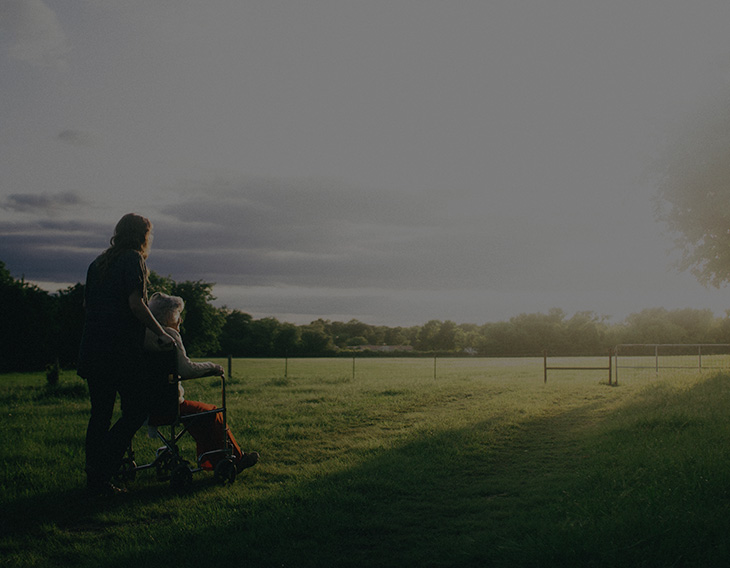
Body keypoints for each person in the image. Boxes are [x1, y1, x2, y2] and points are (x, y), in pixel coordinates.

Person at [78, 213, 175, 496]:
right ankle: (103, 468)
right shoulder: (133, 259)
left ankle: (95, 479)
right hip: (118, 352)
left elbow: (88, 305)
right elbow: (136, 304)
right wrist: (161, 332)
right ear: (142, 235)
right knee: (137, 409)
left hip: (92, 349)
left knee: (100, 415)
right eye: (150, 234)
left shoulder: (97, 263)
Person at [144, 292, 259, 473]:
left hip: (144, 406)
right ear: (169, 316)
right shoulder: (169, 335)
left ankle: (212, 461)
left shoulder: (143, 334)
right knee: (212, 412)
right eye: (178, 315)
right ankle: (236, 458)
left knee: (199, 416)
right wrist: (213, 367)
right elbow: (187, 370)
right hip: (168, 406)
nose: (180, 320)